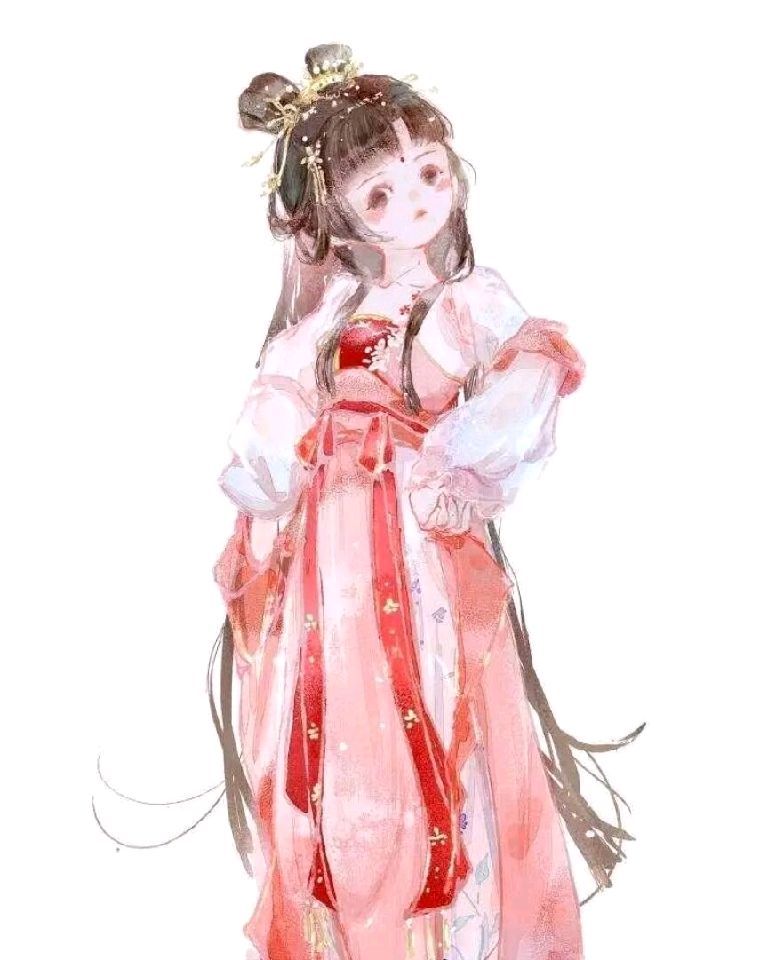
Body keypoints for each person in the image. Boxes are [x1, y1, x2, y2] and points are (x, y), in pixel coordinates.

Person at [211, 43, 643, 960]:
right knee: (338, 729)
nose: (414, 200)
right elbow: (275, 412)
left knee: (438, 715)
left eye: (430, 173)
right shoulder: (320, 325)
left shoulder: (466, 301)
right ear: (333, 218)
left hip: (418, 546)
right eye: (380, 193)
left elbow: (528, 376)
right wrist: (271, 467)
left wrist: (460, 468)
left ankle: (454, 932)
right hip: (329, 566)